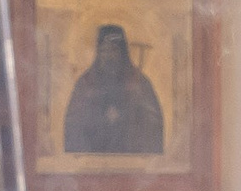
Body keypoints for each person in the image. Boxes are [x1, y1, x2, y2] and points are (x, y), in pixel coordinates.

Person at [63, 24, 165, 156]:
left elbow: (153, 123)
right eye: (104, 50)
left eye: (113, 50)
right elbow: (73, 123)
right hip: (93, 158)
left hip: (131, 160)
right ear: (98, 52)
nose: (108, 55)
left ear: (122, 53)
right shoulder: (86, 83)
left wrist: (136, 107)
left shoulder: (139, 83)